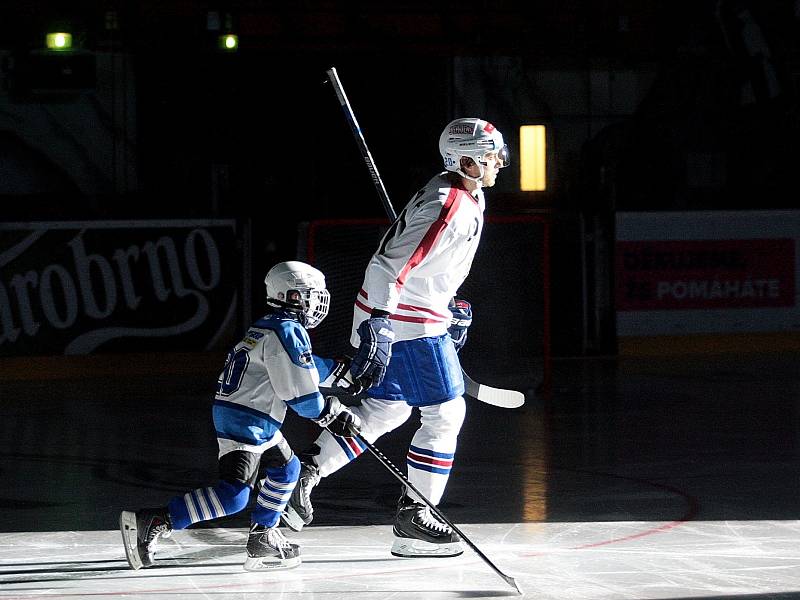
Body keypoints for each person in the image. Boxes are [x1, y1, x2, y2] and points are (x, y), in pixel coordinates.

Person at [281, 118, 509, 558]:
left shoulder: (460, 193)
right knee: (445, 413)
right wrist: (381, 324)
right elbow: (389, 266)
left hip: (406, 312)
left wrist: (447, 298)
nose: (499, 161)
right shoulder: (450, 204)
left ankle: (303, 473)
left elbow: (425, 263)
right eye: (490, 154)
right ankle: (415, 516)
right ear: (466, 160)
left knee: (386, 409)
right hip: (408, 322)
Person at [120, 261, 361, 571]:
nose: (318, 301)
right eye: (312, 295)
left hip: (249, 416)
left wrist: (336, 370)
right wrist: (333, 414)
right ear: (295, 297)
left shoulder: (270, 326)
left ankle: (263, 536)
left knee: (288, 470)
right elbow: (300, 396)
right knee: (233, 497)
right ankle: (155, 520)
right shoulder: (288, 331)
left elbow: (300, 366)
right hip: (249, 423)